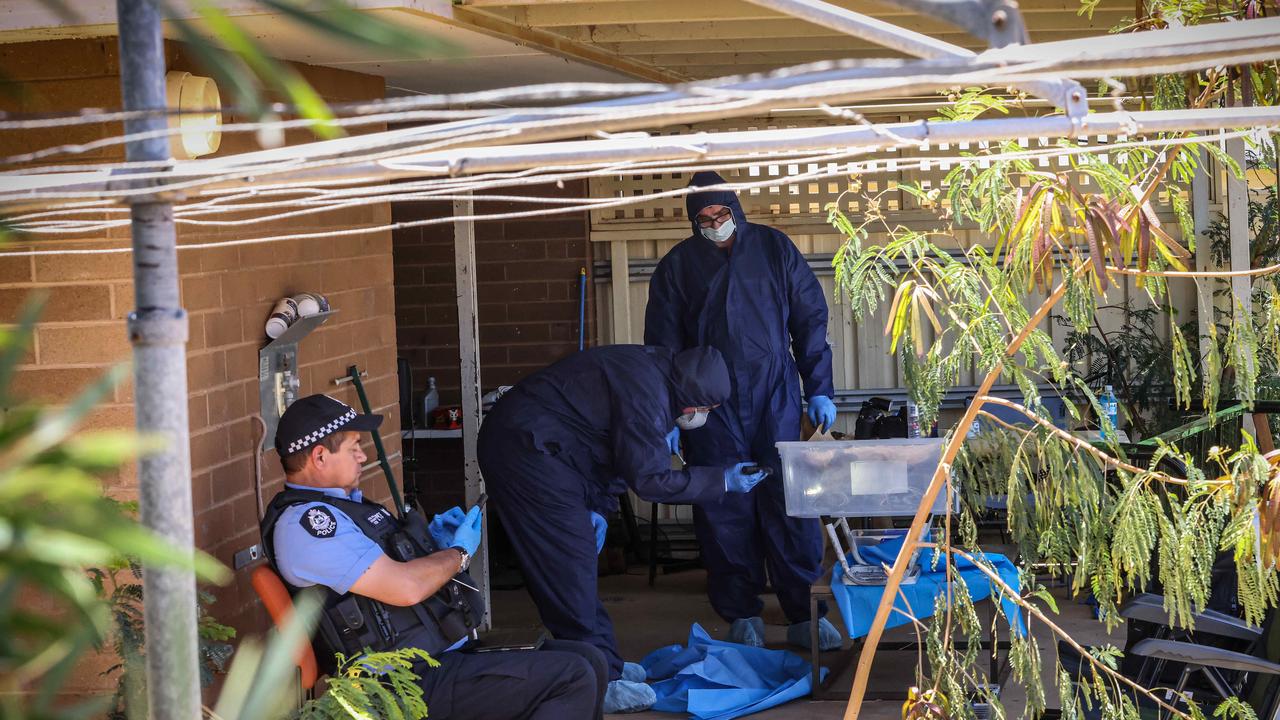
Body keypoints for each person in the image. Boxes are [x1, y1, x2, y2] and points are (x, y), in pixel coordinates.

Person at [261, 394, 606, 720]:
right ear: (320, 457)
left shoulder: (344, 507)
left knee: (590, 658)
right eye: (354, 447)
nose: (363, 456)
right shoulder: (308, 525)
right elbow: (406, 588)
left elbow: (394, 570)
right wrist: (458, 554)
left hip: (433, 658)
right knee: (572, 677)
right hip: (400, 684)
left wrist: (435, 543)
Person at [477, 345, 768, 714]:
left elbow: (614, 455)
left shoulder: (660, 372)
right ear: (693, 403)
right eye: (708, 411)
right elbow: (649, 480)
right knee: (567, 566)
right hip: (525, 451)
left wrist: (598, 507)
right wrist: (721, 482)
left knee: (577, 561)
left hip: (552, 450)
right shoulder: (648, 397)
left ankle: (605, 663)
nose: (704, 418)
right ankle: (597, 683)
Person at [644, 171, 843, 652]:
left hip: (775, 395)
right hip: (709, 408)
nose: (714, 223)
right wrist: (669, 412)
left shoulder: (775, 250)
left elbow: (809, 320)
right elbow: (662, 347)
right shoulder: (676, 267)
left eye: (721, 214)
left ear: (736, 208)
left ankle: (804, 614)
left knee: (791, 502)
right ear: (692, 221)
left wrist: (819, 388)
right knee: (723, 508)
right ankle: (741, 616)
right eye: (703, 218)